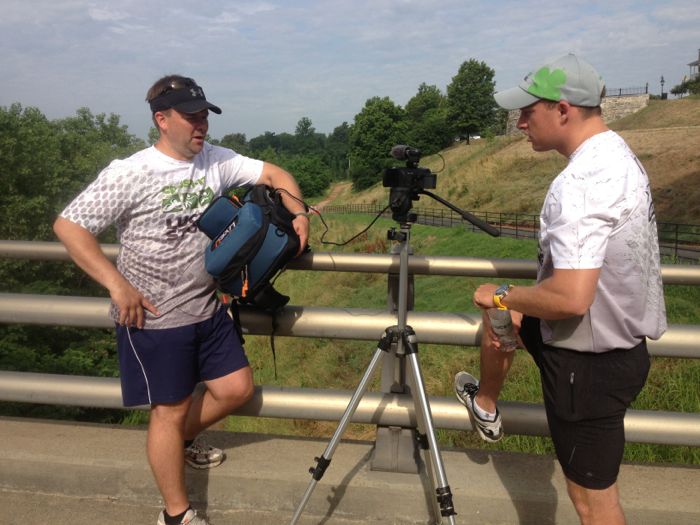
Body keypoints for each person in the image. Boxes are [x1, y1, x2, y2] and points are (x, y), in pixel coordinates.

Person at [53, 75, 310, 525]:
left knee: (235, 389)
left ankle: (176, 443)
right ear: (161, 119)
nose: (201, 126)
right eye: (191, 117)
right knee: (167, 411)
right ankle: (176, 514)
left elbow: (274, 174)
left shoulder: (215, 160)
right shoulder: (130, 172)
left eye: (204, 116)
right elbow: (69, 227)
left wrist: (299, 209)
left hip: (208, 308)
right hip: (153, 315)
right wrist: (117, 286)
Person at [453, 54, 667, 525]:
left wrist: (501, 293)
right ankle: (486, 403)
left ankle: (486, 402)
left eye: (529, 111)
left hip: (586, 367)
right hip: (613, 349)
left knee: (593, 502)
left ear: (563, 110)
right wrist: (510, 307)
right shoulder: (617, 154)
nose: (520, 122)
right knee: (505, 320)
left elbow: (571, 298)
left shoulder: (581, 184)